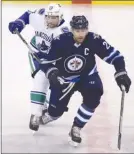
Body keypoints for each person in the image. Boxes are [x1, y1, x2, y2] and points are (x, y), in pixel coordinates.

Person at [39, 15, 131, 146]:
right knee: (55, 112)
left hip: (87, 76)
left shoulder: (94, 40)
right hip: (64, 80)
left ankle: (76, 127)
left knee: (95, 94)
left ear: (87, 29)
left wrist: (121, 72)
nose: (81, 34)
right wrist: (51, 72)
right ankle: (50, 113)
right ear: (71, 30)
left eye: (83, 30)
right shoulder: (60, 41)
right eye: (77, 31)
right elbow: (44, 61)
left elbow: (116, 56)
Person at [8, 3, 70, 131]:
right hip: (35, 54)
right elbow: (28, 15)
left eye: (54, 18)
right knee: (39, 80)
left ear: (61, 17)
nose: (50, 20)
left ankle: (48, 105)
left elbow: (62, 53)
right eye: (48, 17)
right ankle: (35, 113)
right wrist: (19, 23)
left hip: (53, 60)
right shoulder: (40, 15)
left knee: (54, 84)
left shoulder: (64, 32)